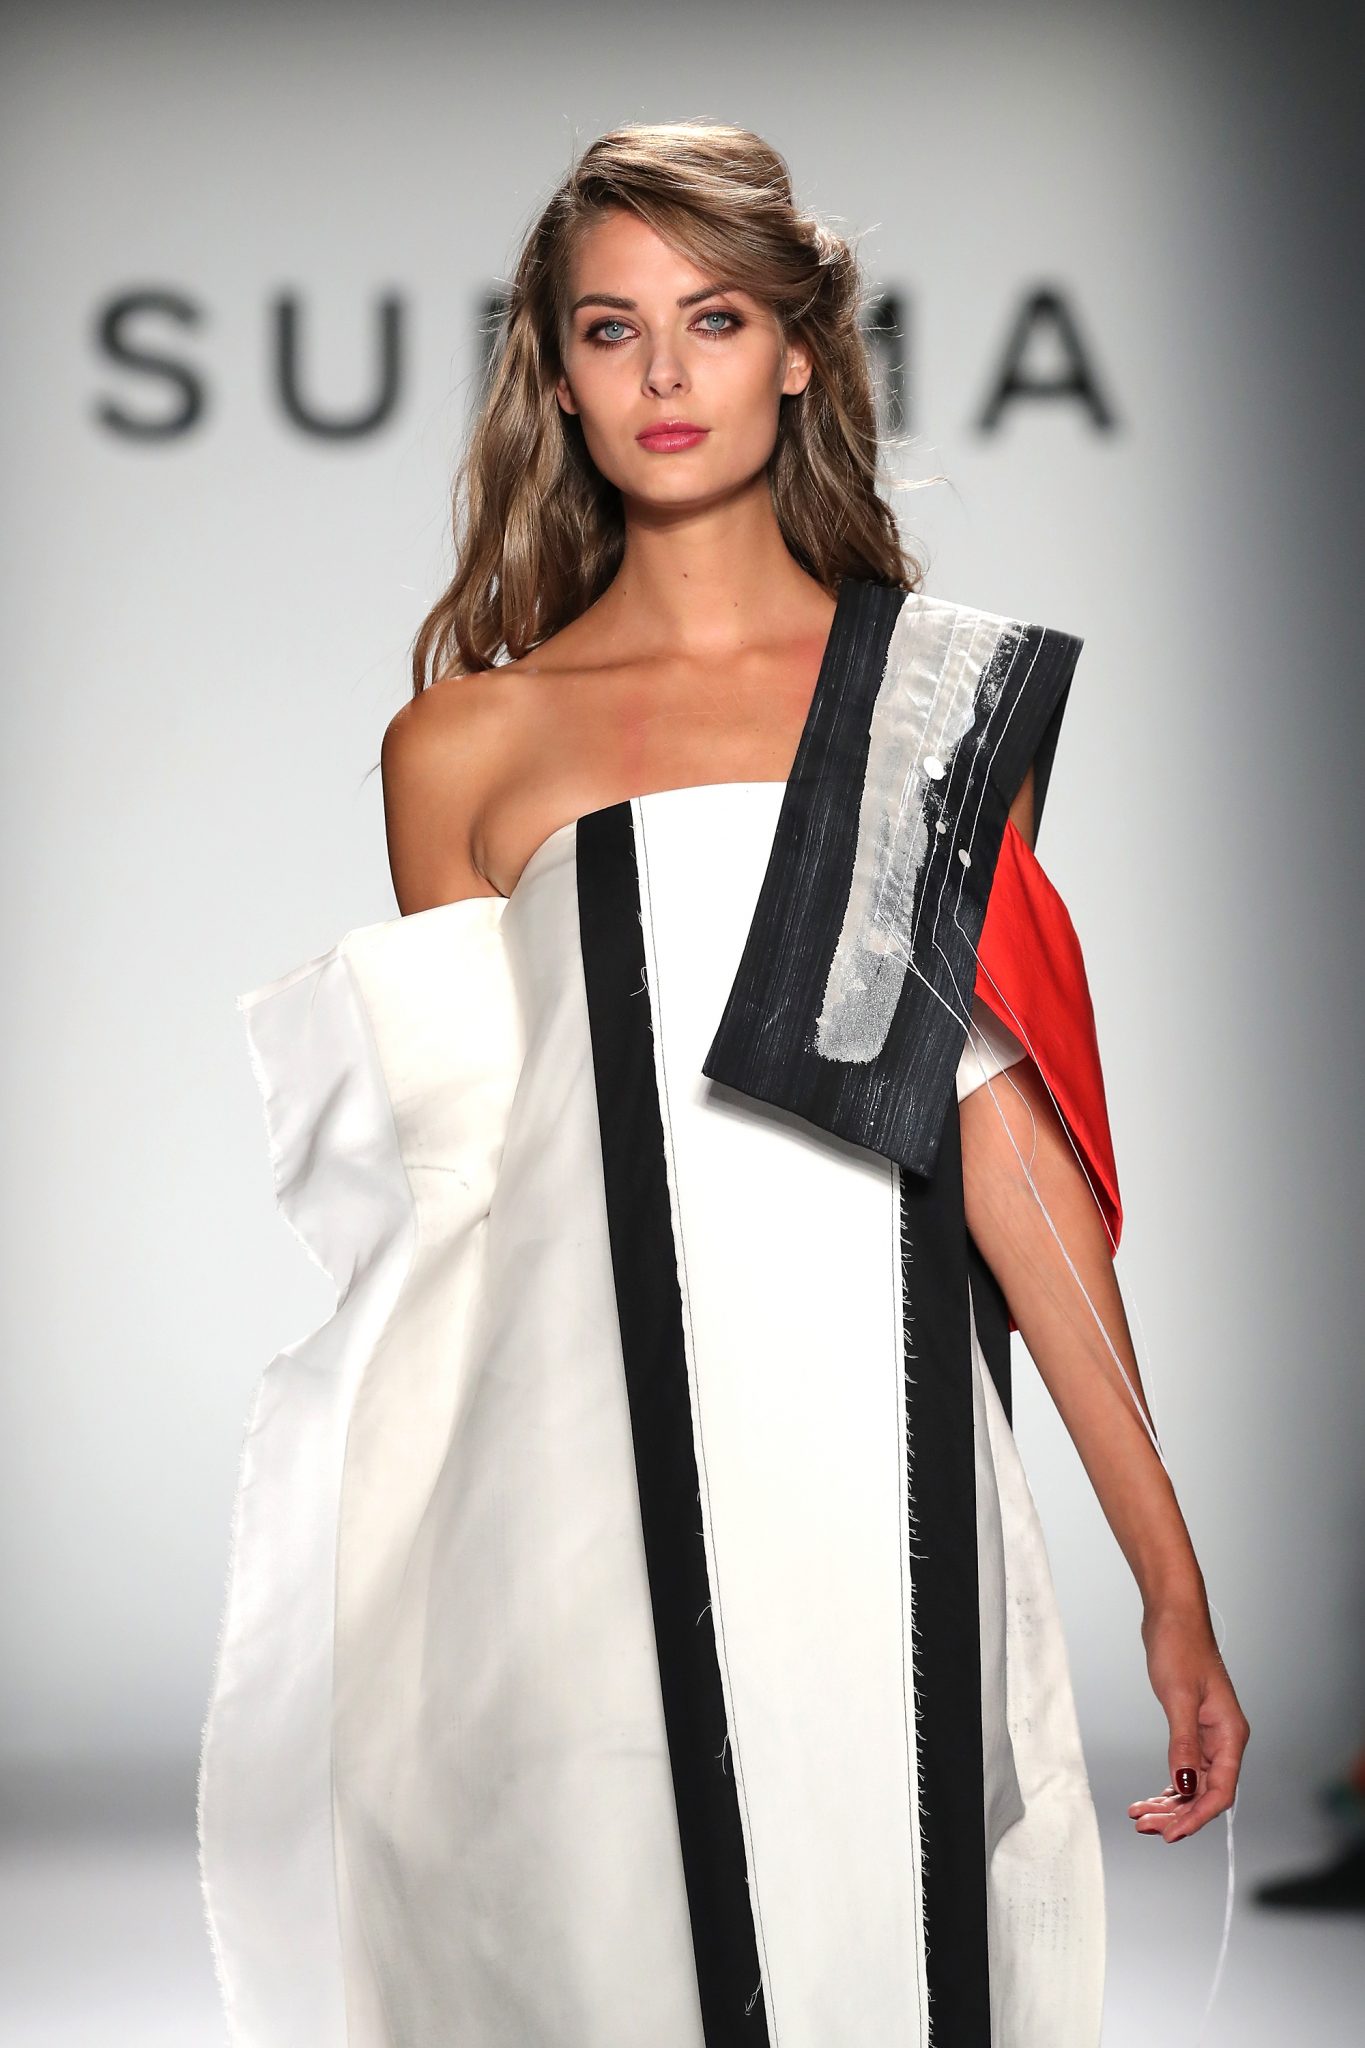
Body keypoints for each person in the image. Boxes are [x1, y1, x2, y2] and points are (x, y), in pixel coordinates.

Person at [197, 122, 1249, 2048]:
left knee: (883, 1965)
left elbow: (998, 1141)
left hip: (878, 1461)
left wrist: (1161, 1571)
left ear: (798, 354)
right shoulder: (461, 748)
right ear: (555, 371)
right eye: (612, 328)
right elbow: (469, 1200)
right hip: (558, 1490)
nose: (663, 374)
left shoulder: (937, 706)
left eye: (714, 318)